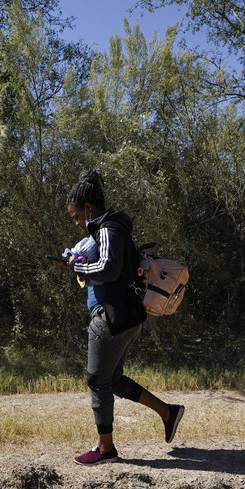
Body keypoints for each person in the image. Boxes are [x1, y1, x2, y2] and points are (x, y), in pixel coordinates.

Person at [65, 169, 184, 465]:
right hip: (127, 318)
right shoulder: (115, 229)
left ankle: (105, 449)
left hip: (112, 318)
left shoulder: (107, 230)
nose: (77, 223)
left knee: (97, 381)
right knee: (112, 379)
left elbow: (108, 269)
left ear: (88, 208)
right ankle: (168, 413)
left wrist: (78, 269)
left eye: (76, 216)